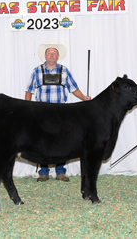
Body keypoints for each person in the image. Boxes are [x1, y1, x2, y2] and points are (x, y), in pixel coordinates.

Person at [25, 43, 91, 182]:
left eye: (54, 53)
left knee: (62, 141)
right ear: (45, 56)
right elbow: (29, 90)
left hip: (61, 112)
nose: (51, 55)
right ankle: (44, 172)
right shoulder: (37, 70)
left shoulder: (64, 70)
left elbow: (73, 88)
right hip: (42, 111)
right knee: (42, 141)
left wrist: (84, 97)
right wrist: (28, 108)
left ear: (58, 56)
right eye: (49, 53)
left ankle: (60, 172)